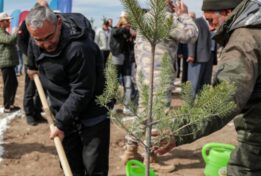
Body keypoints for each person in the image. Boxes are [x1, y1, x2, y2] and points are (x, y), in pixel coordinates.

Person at [154, 0, 261, 175]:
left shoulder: (245, 40)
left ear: (228, 12)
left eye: (210, 20)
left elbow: (223, 99)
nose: (210, 28)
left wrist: (178, 132)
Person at [26, 5, 110, 175]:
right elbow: (33, 51)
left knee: (94, 168)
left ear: (58, 23)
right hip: (63, 110)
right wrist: (31, 66)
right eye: (39, 40)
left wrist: (60, 123)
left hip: (93, 110)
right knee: (70, 167)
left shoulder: (79, 47)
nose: (45, 44)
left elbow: (81, 91)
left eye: (49, 37)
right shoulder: (38, 36)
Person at [120, 0, 198, 168]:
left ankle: (131, 149)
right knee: (157, 116)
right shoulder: (164, 18)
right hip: (158, 76)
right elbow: (190, 35)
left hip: (144, 75)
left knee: (144, 112)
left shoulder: (147, 16)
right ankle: (151, 158)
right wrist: (184, 15)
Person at [187, 14, 214, 98]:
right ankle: (189, 107)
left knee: (205, 84)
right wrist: (191, 54)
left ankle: (201, 106)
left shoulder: (212, 23)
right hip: (197, 58)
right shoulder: (196, 21)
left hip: (209, 57)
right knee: (193, 85)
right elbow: (192, 38)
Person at [0, 12, 20, 113]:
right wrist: (16, 31)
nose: (9, 22)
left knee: (14, 83)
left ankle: (10, 104)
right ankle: (7, 106)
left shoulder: (5, 32)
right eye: (7, 20)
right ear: (1, 22)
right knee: (8, 85)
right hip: (5, 63)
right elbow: (9, 40)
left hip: (9, 63)